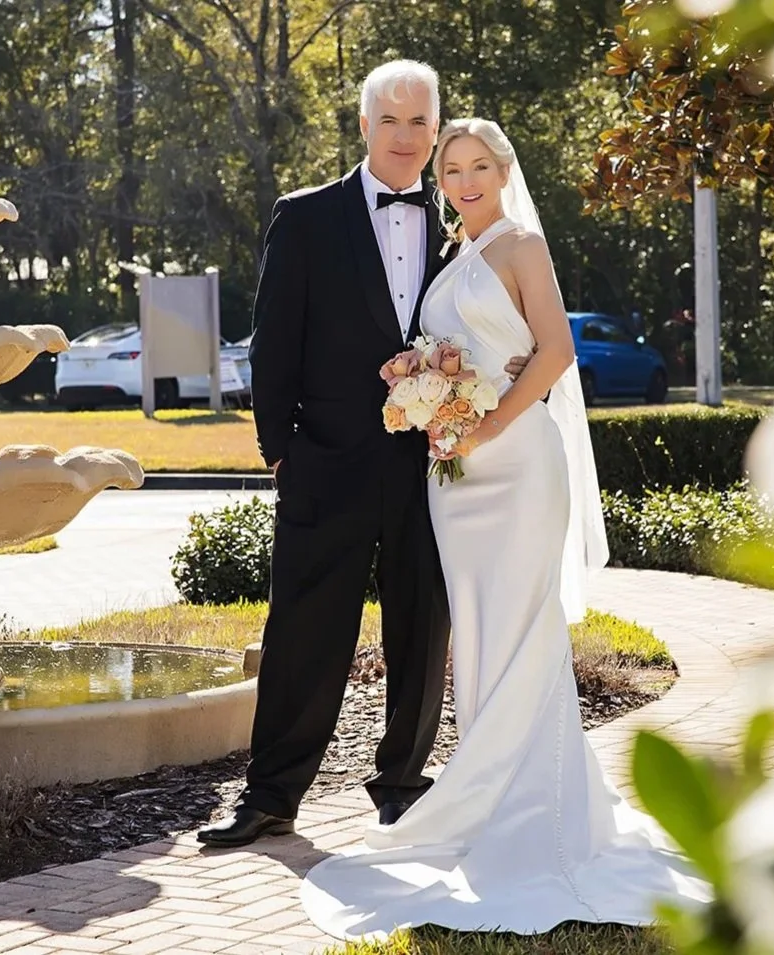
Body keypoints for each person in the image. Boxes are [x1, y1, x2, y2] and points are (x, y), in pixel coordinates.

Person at [298, 118, 714, 938]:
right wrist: (427, 390)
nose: (461, 180)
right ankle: (491, 797)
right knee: (482, 636)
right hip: (457, 476)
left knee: (523, 630)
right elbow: (459, 350)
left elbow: (554, 352)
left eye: (476, 166)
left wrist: (486, 425)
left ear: (503, 169)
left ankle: (535, 815)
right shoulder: (453, 253)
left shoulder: (521, 244)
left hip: (517, 462)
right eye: (450, 169)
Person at [196, 62, 532, 849]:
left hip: (433, 465)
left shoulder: (467, 226)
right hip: (326, 462)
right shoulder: (305, 216)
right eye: (391, 120)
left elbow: (502, 332)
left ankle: (403, 789)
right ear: (363, 126)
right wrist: (279, 449)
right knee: (304, 631)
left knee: (423, 628)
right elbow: (272, 340)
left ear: (437, 128)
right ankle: (272, 795)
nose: (407, 137)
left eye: (422, 122)